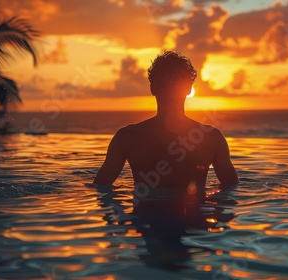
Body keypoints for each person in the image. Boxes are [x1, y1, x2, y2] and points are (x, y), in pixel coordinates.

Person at [93, 50, 238, 208]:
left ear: (152, 88)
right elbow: (231, 192)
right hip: (195, 227)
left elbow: (101, 189)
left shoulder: (126, 138)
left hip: (145, 223)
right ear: (189, 89)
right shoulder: (212, 138)